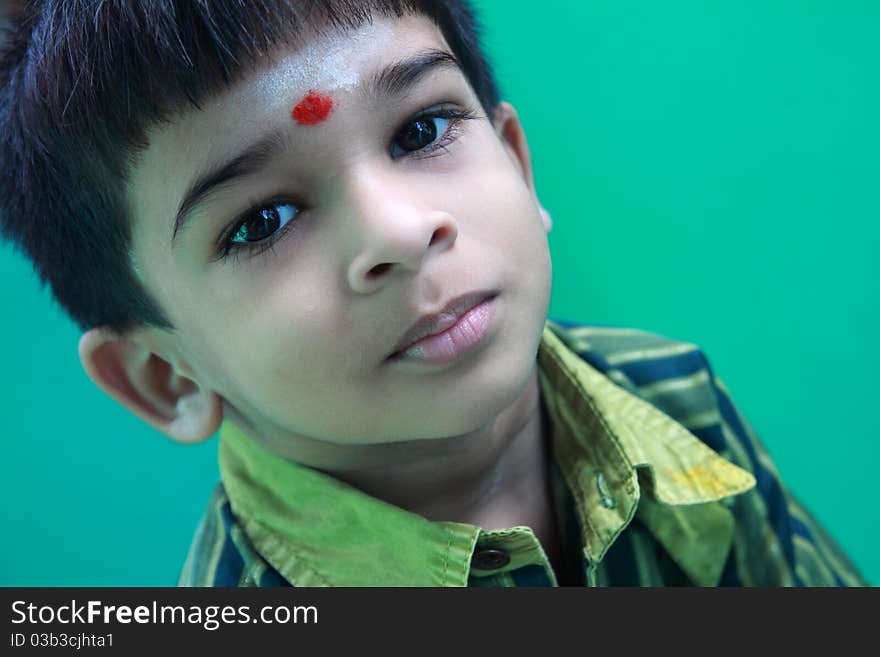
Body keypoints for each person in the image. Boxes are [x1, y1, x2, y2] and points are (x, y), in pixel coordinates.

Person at [0, 0, 866, 587]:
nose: (399, 232)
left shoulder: (675, 396)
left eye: (420, 130)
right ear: (165, 374)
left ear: (519, 166)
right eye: (262, 220)